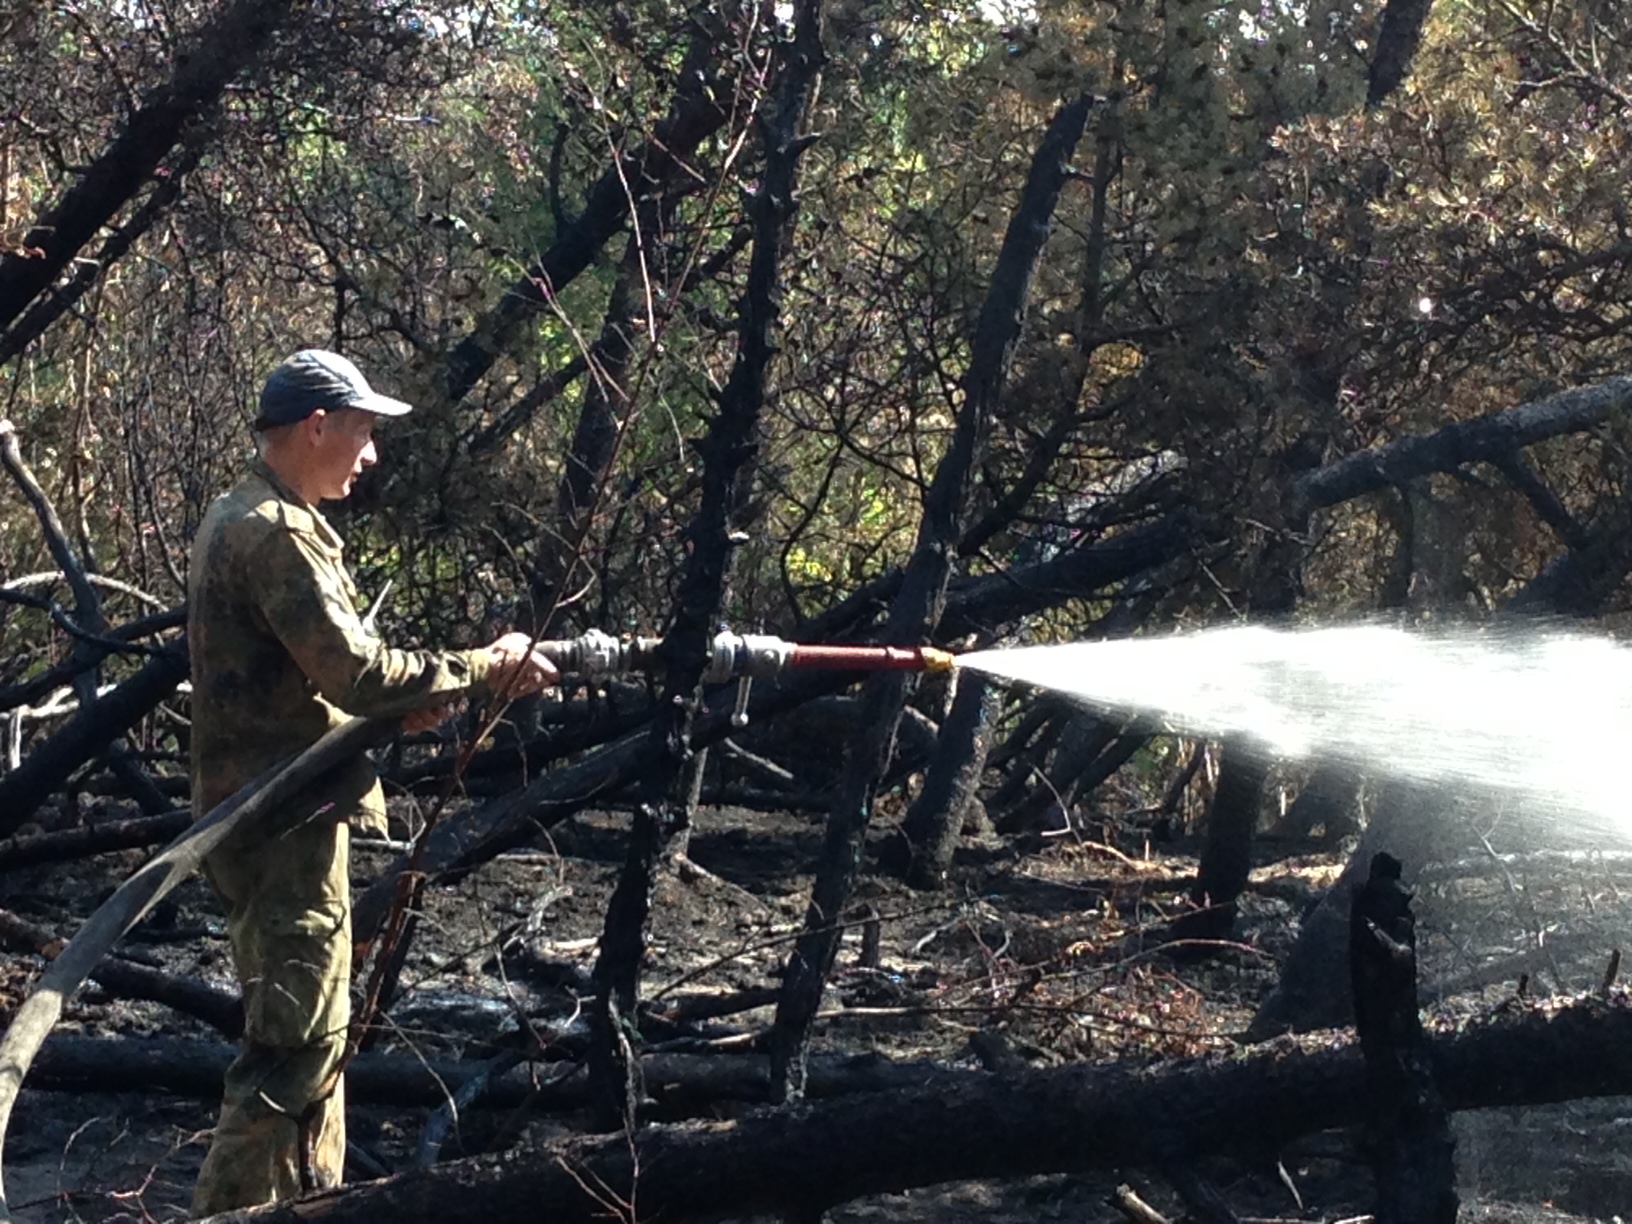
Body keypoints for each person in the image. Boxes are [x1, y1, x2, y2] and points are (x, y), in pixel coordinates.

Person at [187, 349, 557, 1214]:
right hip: (280, 824)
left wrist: (397, 709)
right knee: (295, 1048)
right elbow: (355, 673)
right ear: (317, 426)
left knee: (315, 1041)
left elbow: (303, 686)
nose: (371, 454)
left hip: (277, 811)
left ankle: (310, 1206)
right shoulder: (273, 532)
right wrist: (479, 668)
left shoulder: (242, 514)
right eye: (362, 431)